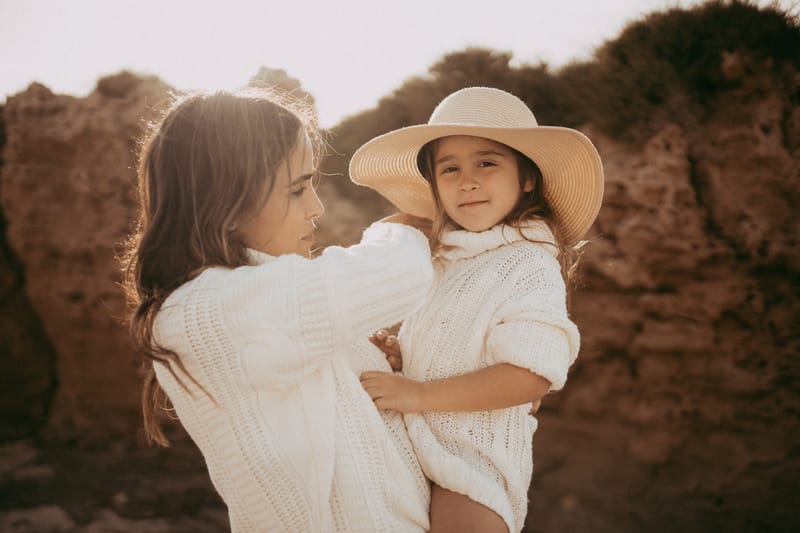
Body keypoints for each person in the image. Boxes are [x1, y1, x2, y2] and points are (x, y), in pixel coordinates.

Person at [122, 87, 434, 532]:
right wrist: (404, 225)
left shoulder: (256, 294)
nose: (316, 208)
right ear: (225, 202)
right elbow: (404, 272)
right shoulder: (209, 311)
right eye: (296, 189)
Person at [350, 86, 604, 533]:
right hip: (415, 441)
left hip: (473, 464)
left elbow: (531, 376)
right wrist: (403, 358)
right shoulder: (448, 259)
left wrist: (417, 394)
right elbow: (456, 345)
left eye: (486, 163)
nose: (466, 180)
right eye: (449, 169)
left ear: (527, 178)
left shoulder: (528, 262)